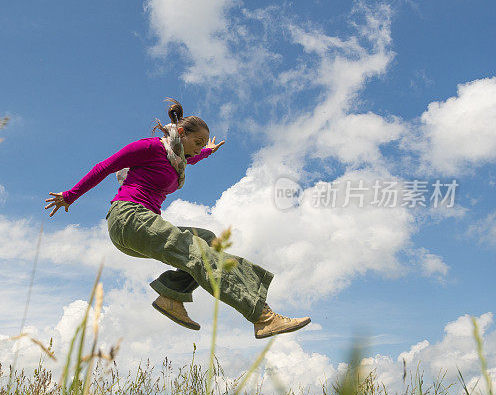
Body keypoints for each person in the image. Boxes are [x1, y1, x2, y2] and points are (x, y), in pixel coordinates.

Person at [45, 98, 310, 339]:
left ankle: (171, 297)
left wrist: (207, 150)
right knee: (199, 254)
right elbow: (105, 166)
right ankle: (263, 316)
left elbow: (190, 158)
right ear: (181, 133)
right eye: (196, 143)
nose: (196, 151)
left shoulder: (177, 158)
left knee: (207, 240)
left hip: (138, 226)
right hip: (128, 217)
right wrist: (70, 196)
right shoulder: (149, 147)